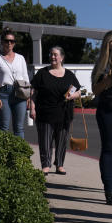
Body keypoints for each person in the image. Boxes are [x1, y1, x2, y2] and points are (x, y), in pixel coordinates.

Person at [30, 46, 82, 174]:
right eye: (51, 54)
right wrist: (32, 108)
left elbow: (78, 91)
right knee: (45, 140)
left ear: (62, 57)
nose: (52, 57)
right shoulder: (42, 73)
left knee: (62, 140)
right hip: (45, 112)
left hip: (64, 113)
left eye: (55, 55)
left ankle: (59, 164)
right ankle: (45, 165)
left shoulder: (69, 75)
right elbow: (33, 92)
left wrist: (72, 96)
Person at [92, 30, 112, 205]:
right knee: (110, 148)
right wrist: (107, 80)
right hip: (108, 110)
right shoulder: (101, 66)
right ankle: (109, 189)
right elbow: (95, 91)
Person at [0, 30, 31, 138]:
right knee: (4, 126)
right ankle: (4, 153)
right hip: (3, 93)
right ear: (2, 42)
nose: (9, 43)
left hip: (20, 92)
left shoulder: (20, 58)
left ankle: (20, 153)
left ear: (14, 43)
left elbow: (25, 77)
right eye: (7, 41)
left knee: (19, 127)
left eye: (12, 41)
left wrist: (28, 97)